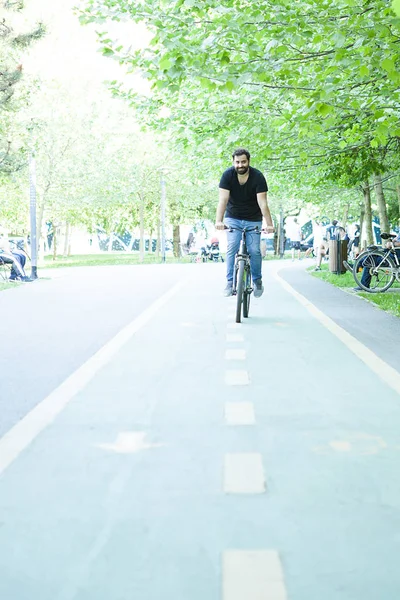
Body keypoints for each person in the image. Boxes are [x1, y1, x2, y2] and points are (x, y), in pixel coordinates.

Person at [215, 148, 274, 297]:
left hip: (253, 219)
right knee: (232, 248)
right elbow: (223, 200)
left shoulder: (258, 177)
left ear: (248, 161)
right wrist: (218, 221)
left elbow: (263, 203)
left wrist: (269, 224)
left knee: (254, 250)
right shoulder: (227, 175)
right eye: (237, 162)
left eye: (243, 162)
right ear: (233, 162)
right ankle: (229, 282)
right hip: (233, 218)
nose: (240, 165)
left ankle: (257, 280)